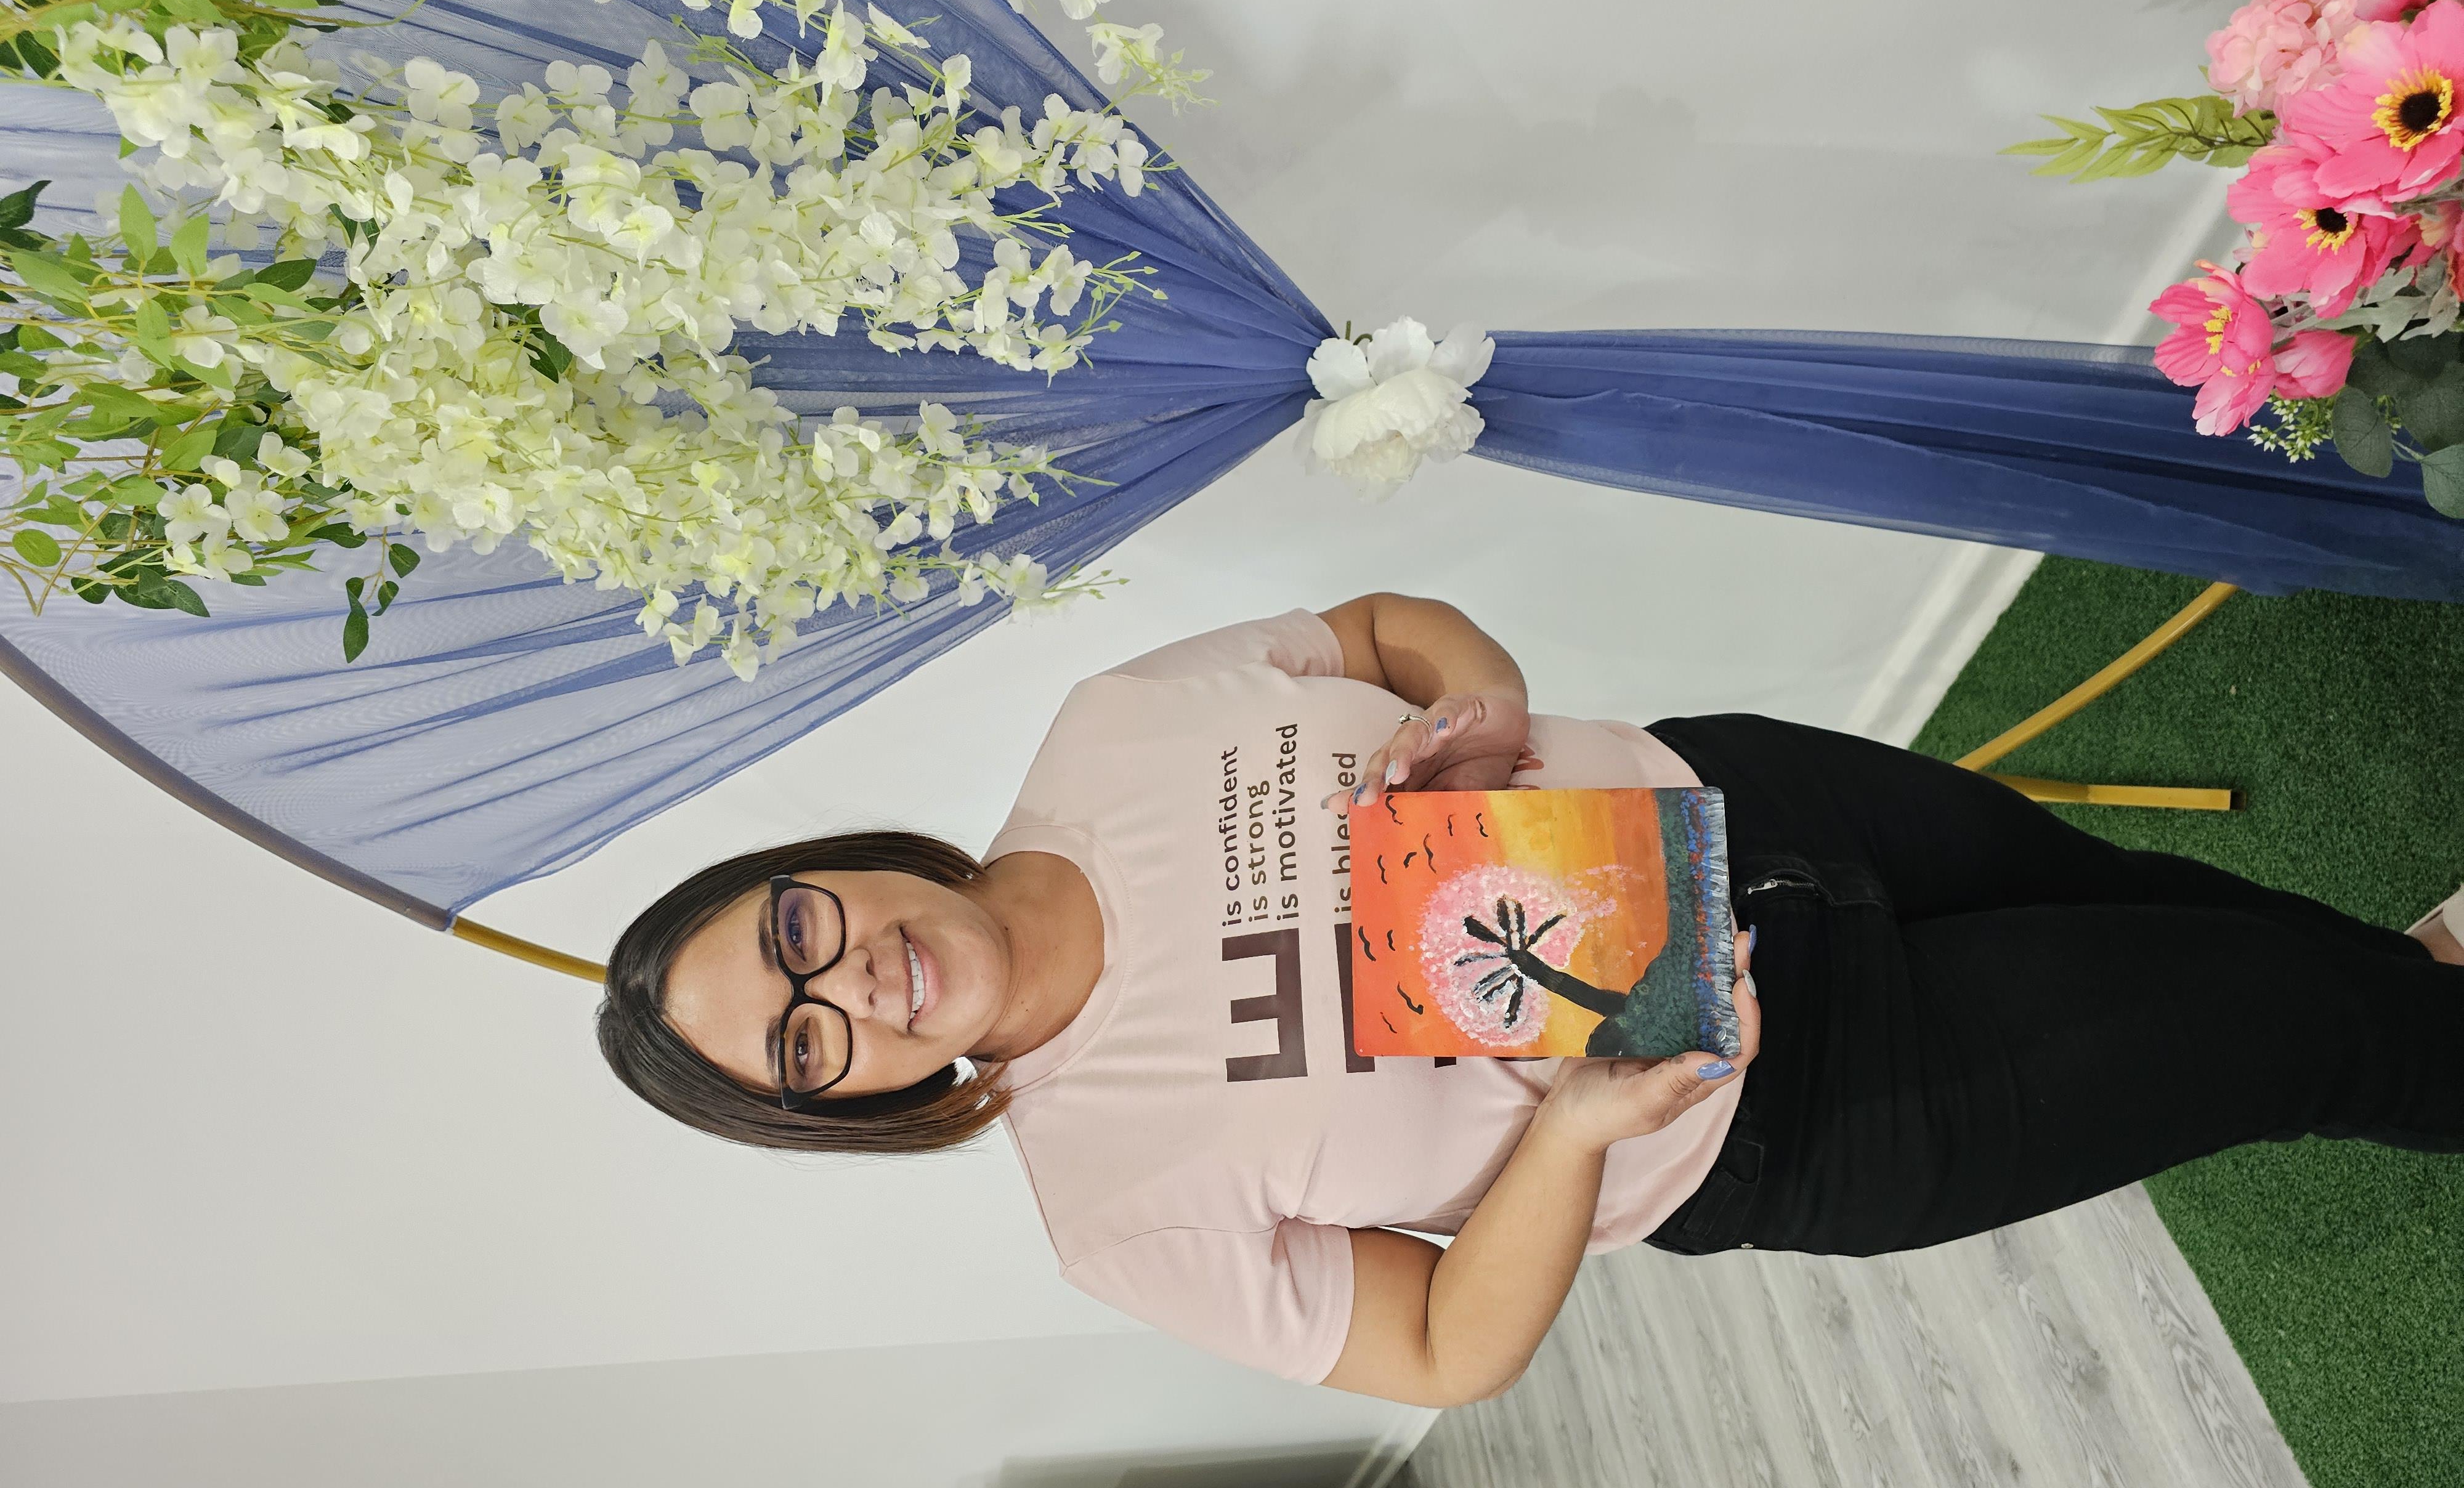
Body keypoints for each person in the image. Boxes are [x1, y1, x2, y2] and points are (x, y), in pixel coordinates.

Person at [597, 595, 2464, 1406]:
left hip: (1761, 808)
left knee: (2172, 915)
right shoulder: (1115, 1211)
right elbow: (1440, 1353)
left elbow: (1383, 628)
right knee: (2281, 1032)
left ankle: (2426, 985)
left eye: (793, 931)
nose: (851, 981)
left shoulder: (1112, 727)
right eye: (807, 1045)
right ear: (851, 1104)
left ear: (818, 869)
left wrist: (1476, 705)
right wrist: (1570, 1132)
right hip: (1797, 1104)